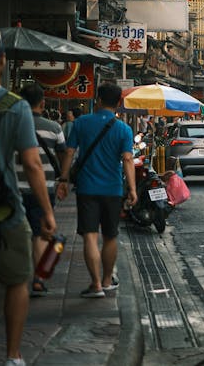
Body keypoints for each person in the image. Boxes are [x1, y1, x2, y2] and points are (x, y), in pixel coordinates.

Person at [0, 30, 56, 366]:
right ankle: (13, 356)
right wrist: (47, 211)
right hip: (5, 207)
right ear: (2, 61)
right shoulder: (14, 107)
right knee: (17, 280)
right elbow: (32, 164)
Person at [61, 82, 137, 298]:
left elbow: (69, 152)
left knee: (90, 236)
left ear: (99, 100)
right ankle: (106, 280)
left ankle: (95, 284)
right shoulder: (124, 129)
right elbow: (128, 160)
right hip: (112, 189)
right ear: (119, 103)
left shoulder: (82, 122)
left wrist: (63, 179)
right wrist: (132, 189)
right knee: (111, 236)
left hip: (86, 188)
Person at [18, 82, 69, 297]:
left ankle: (16, 276)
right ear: (43, 102)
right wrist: (63, 179)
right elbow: (64, 154)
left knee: (18, 232)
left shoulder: (13, 123)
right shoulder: (54, 128)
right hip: (43, 188)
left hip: (15, 188)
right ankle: (38, 279)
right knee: (40, 233)